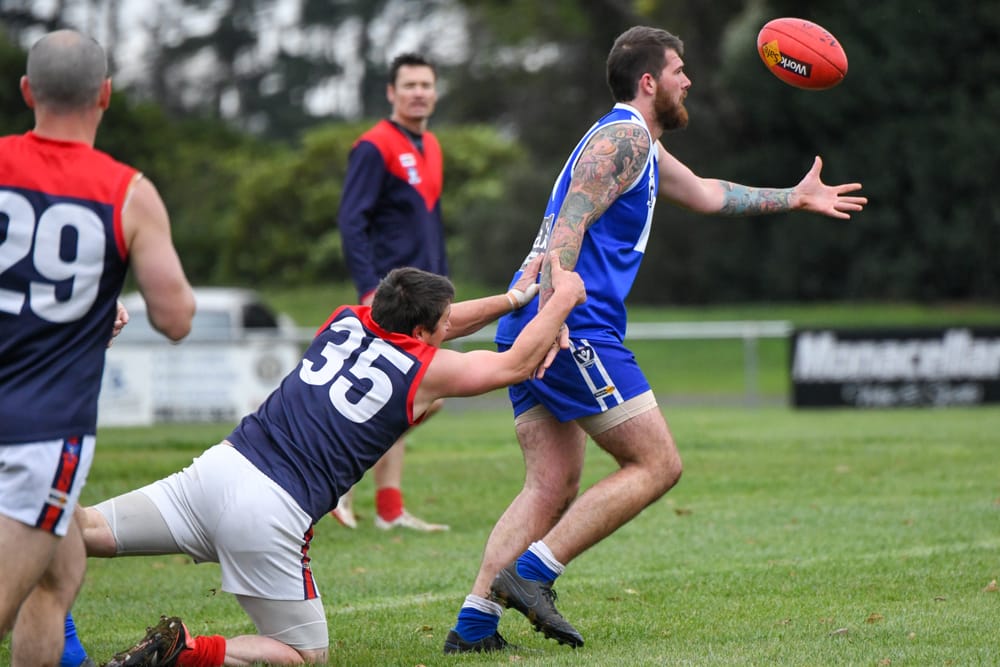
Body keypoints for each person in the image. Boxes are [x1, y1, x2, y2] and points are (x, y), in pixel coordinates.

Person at [443, 25, 868, 654]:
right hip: (570, 323)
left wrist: (794, 198)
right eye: (679, 71)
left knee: (552, 483)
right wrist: (556, 319)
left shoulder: (641, 144)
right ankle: (531, 575)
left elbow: (705, 194)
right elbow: (569, 225)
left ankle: (474, 626)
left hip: (542, 316)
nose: (688, 80)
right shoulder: (621, 138)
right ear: (650, 82)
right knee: (657, 463)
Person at [79, 255, 585, 666]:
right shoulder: (421, 373)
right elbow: (515, 363)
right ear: (423, 330)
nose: (449, 325)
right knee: (303, 654)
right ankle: (187, 652)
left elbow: (440, 325)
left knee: (84, 530)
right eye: (442, 322)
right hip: (270, 511)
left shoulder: (349, 318)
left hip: (217, 468)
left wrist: (515, 298)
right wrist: (563, 297)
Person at [0, 29, 195, 666]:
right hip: (39, 431)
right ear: (105, 95)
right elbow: (175, 318)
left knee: (55, 584)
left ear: (28, 91)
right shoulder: (126, 191)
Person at [333, 52, 450, 531]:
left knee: (406, 396)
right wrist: (367, 288)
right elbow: (351, 220)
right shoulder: (373, 146)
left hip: (426, 299)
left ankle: (389, 510)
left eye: (426, 84)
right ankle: (336, 482)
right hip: (390, 298)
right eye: (409, 85)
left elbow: (430, 227)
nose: (419, 92)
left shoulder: (433, 146)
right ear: (391, 92)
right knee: (414, 395)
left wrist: (444, 293)